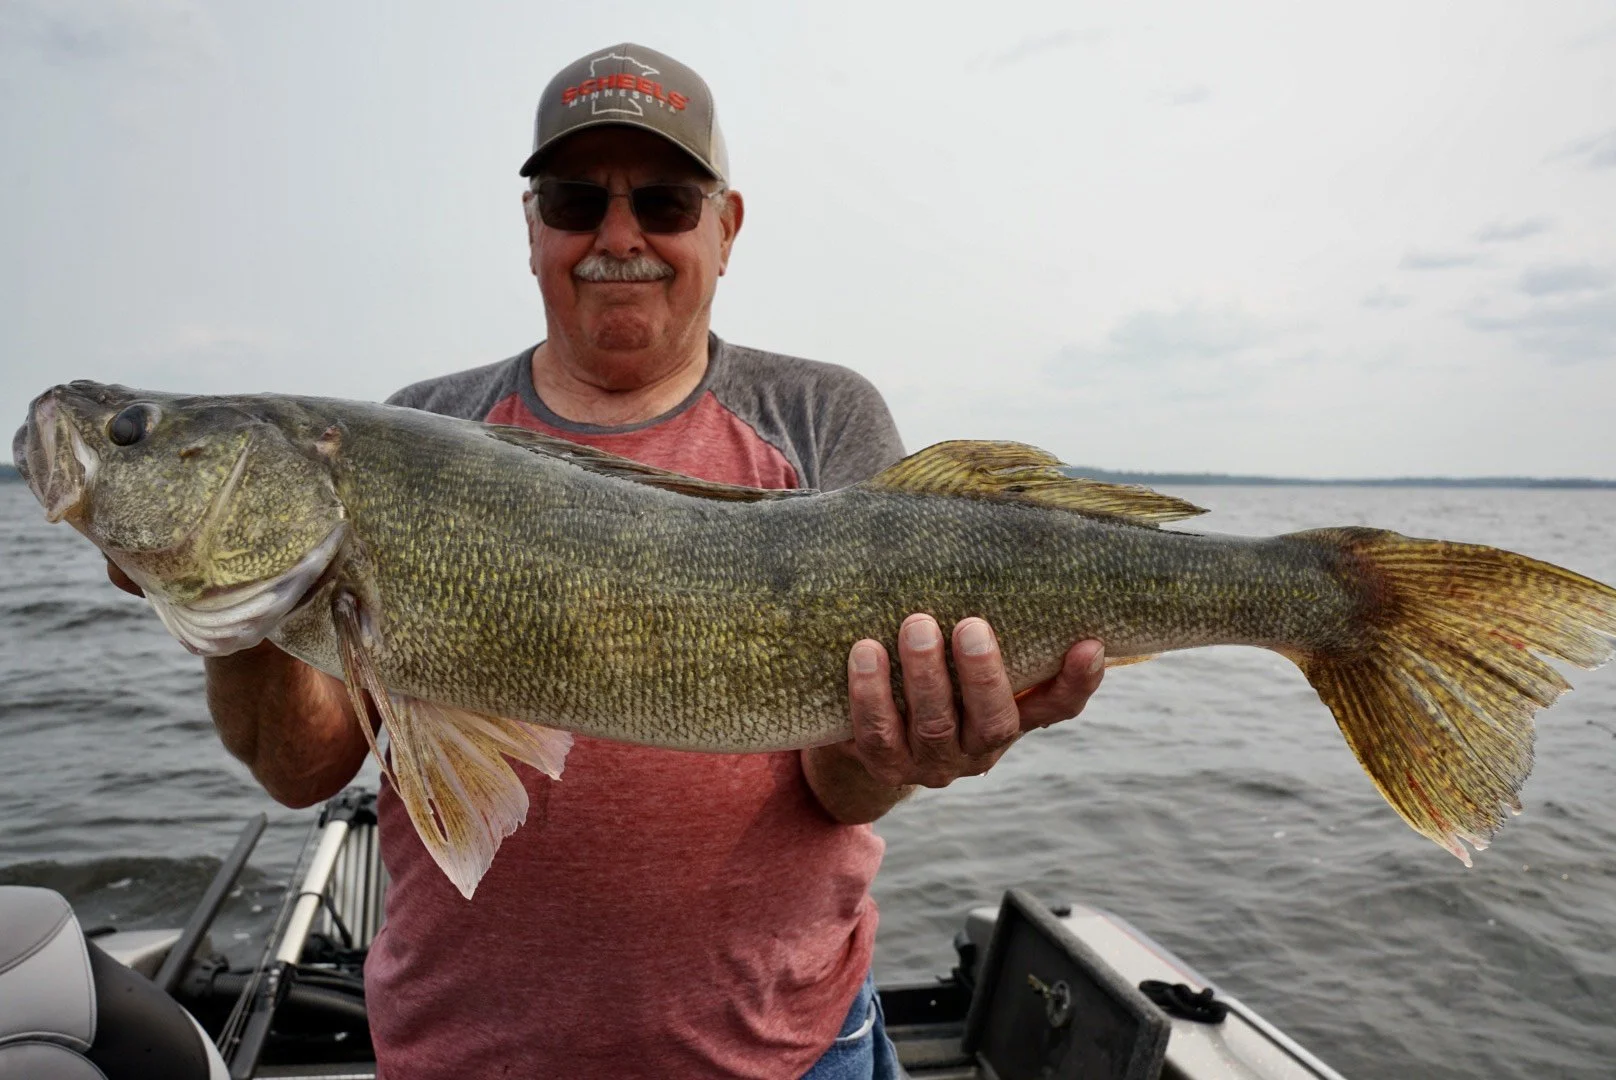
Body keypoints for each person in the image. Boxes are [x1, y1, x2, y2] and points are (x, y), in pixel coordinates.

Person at [109, 43, 1106, 1079]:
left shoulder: (819, 419)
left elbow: (842, 789)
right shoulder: (421, 428)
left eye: (666, 202)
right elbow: (298, 769)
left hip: (786, 1053)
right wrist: (235, 607)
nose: (618, 236)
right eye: (577, 200)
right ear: (532, 229)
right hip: (465, 1056)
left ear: (726, 227)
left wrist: (909, 741)